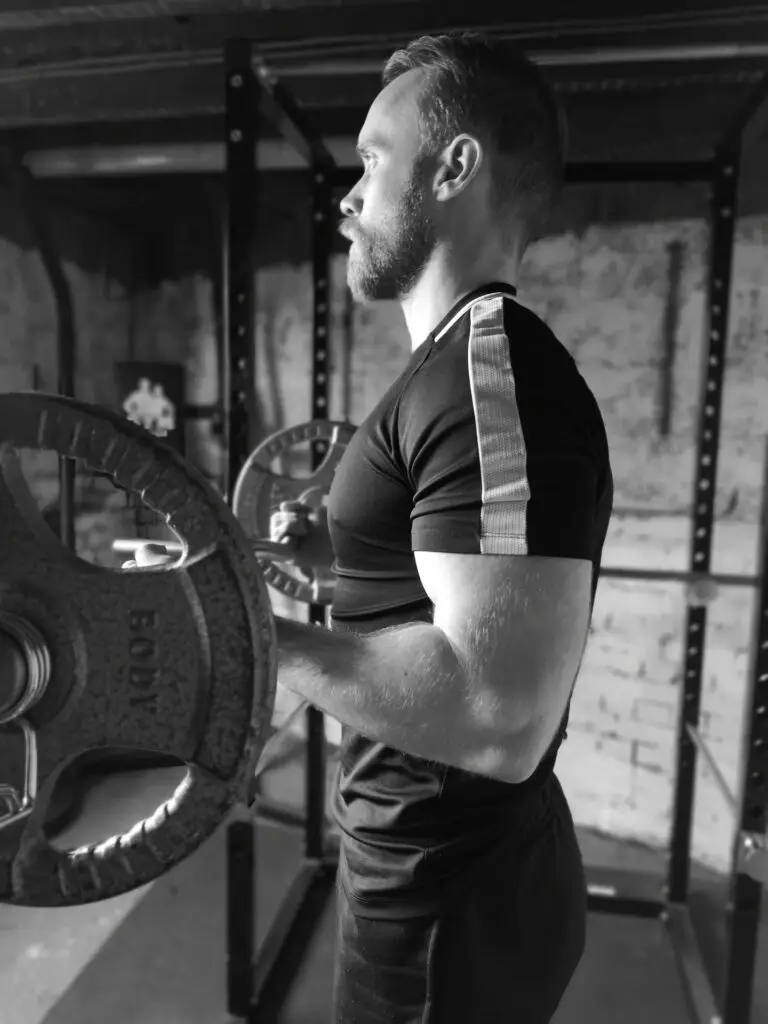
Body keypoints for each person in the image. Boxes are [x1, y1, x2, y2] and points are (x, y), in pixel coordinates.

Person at [140, 31, 614, 1023]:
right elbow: (420, 593)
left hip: (449, 899)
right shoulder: (444, 367)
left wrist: (243, 627)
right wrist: (337, 558)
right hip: (419, 865)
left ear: (454, 166)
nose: (347, 199)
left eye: (371, 160)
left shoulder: (491, 375)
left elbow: (496, 715)